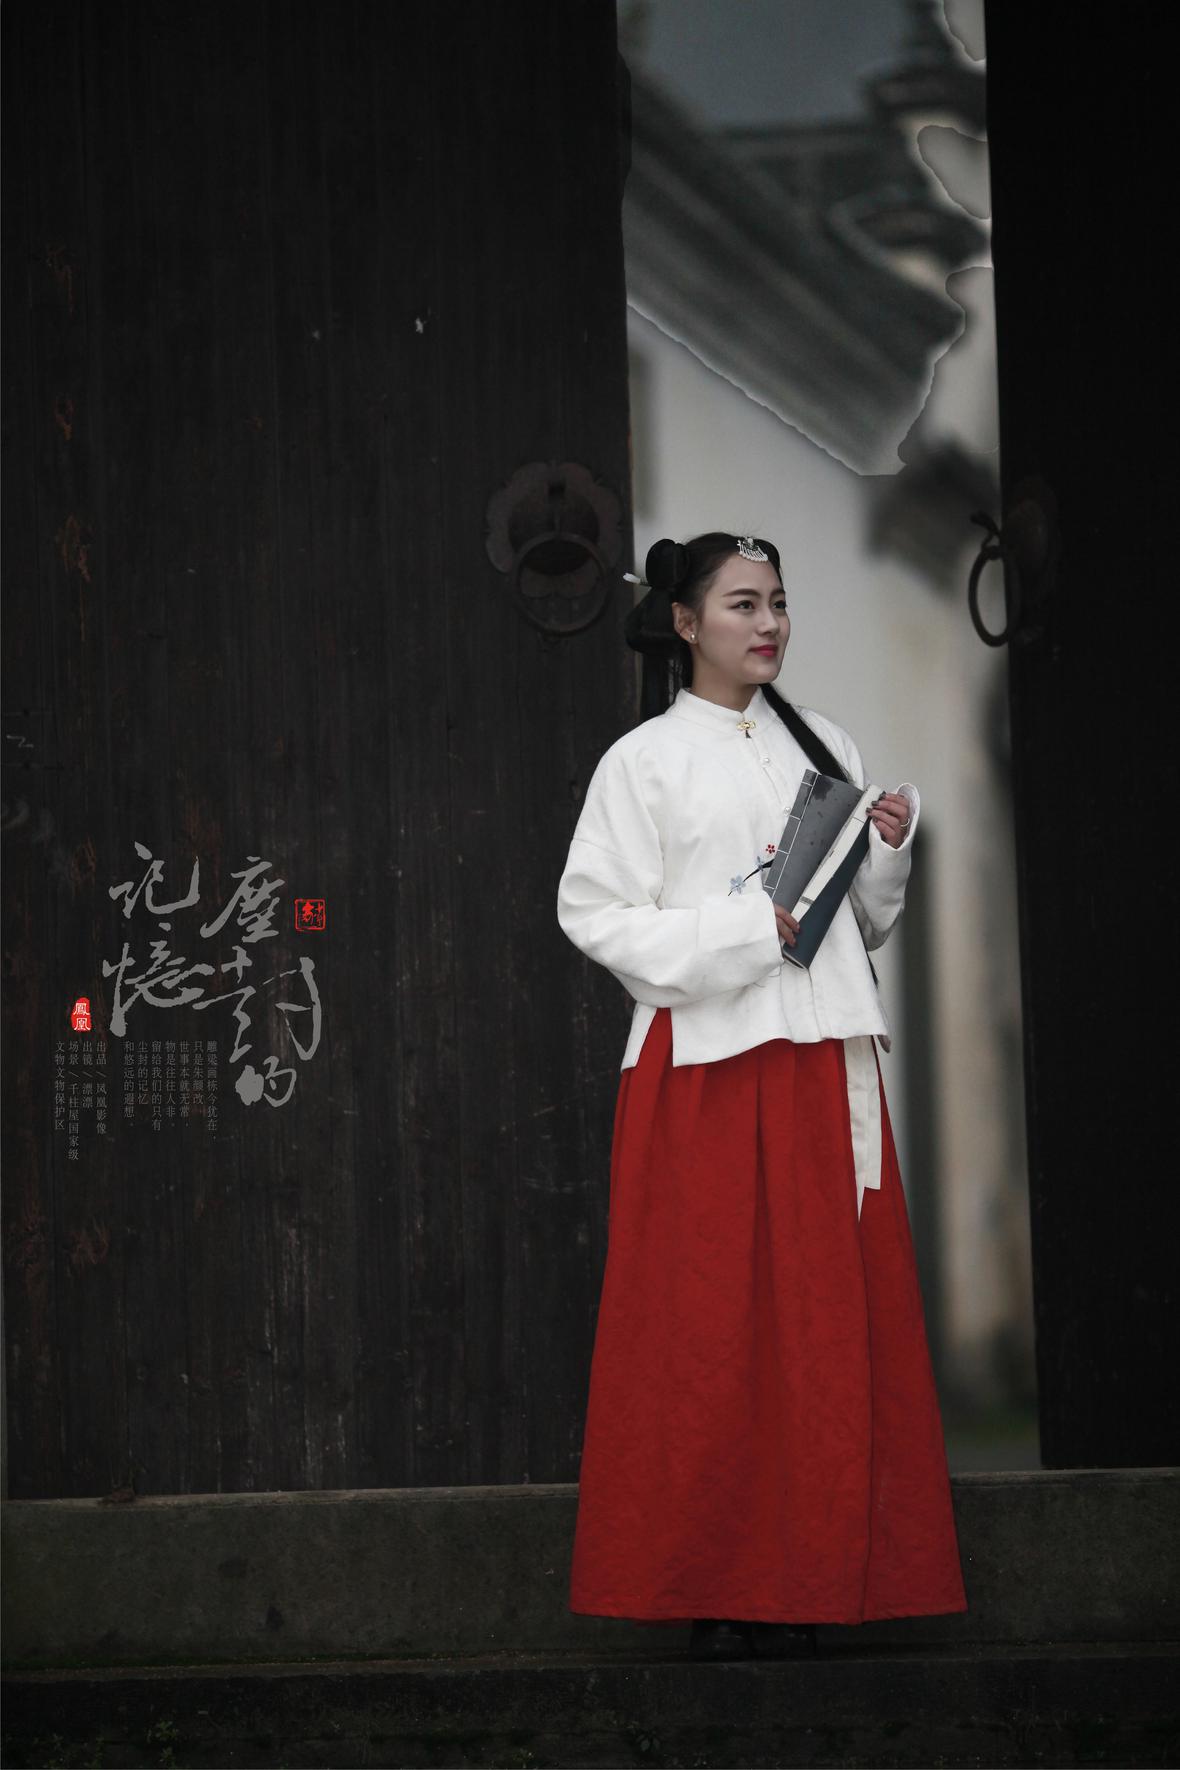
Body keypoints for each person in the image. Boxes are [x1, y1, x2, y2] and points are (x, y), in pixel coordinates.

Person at [556, 532, 968, 1662]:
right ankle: (712, 1582)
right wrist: (744, 929)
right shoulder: (641, 762)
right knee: (706, 1332)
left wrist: (886, 855)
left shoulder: (823, 743)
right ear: (685, 623)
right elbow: (594, 914)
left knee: (826, 1328)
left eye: (778, 601)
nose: (769, 623)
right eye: (742, 604)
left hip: (821, 1059)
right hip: (703, 1066)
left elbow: (860, 926)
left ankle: (815, 1578)